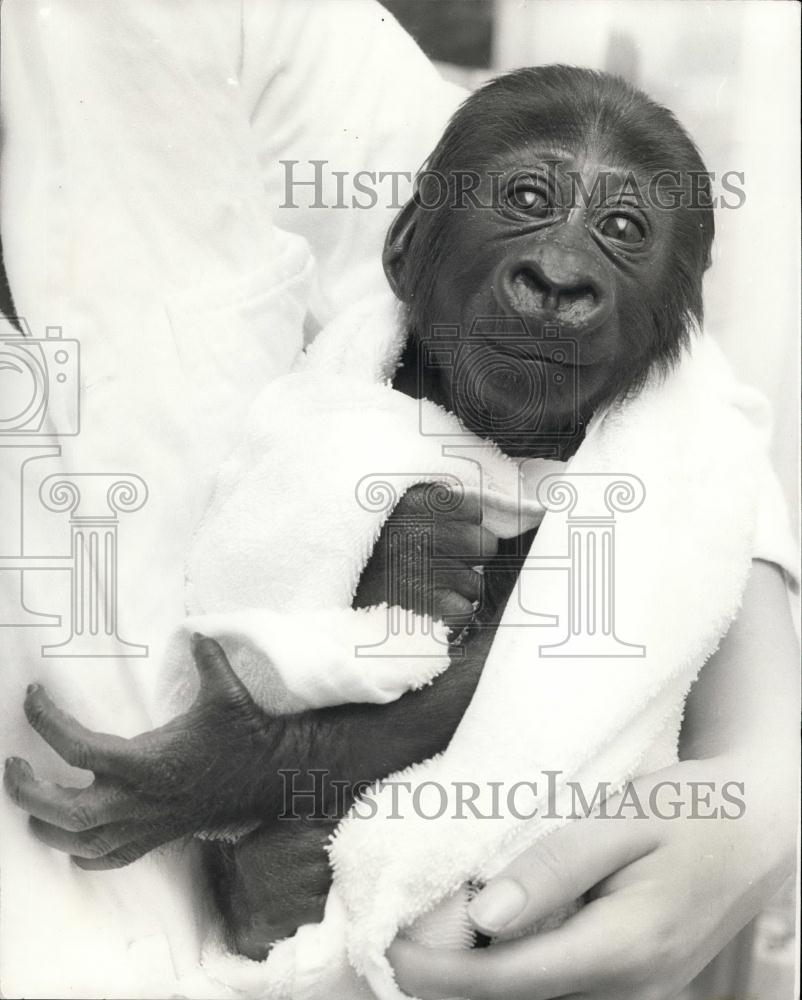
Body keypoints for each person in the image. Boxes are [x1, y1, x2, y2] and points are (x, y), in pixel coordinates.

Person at [0, 2, 797, 998]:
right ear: (403, 253)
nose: (558, 267)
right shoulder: (364, 397)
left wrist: (762, 776)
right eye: (528, 202)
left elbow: (673, 491)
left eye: (619, 231)